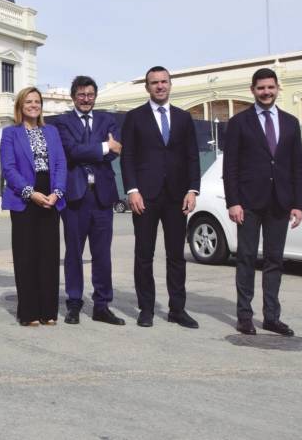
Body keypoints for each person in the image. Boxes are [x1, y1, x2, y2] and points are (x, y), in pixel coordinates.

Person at [223, 68, 302, 336]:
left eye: (270, 87)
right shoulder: (238, 123)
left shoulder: (291, 123)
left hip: (280, 203)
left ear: (278, 88)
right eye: (261, 88)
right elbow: (231, 166)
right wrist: (233, 202)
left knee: (274, 261)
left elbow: (297, 166)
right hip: (248, 202)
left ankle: (272, 317)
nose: (266, 92)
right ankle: (244, 316)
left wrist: (298, 203)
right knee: (246, 258)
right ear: (253, 90)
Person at [120, 66, 201, 329]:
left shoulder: (183, 118)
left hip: (177, 196)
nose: (159, 86)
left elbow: (192, 156)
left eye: (164, 81)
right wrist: (132, 190)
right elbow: (128, 156)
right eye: (154, 82)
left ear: (170, 84)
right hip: (145, 196)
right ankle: (146, 309)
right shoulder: (134, 117)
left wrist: (192, 189)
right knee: (144, 254)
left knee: (176, 255)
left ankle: (177, 309)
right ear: (147, 87)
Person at [51, 76, 125, 326]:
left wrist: (91, 150)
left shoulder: (108, 120)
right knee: (74, 253)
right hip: (75, 197)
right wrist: (103, 146)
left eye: (90, 94)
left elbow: (115, 152)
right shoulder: (62, 122)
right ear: (73, 96)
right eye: (81, 95)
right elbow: (70, 151)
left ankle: (102, 305)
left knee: (102, 254)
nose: (86, 99)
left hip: (102, 196)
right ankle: (73, 303)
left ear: (95, 96)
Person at [0, 87, 66, 326]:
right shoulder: (10, 133)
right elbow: (8, 168)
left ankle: (48, 311)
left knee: (49, 255)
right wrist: (31, 193)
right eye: (28, 101)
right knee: (26, 256)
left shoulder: (52, 131)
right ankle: (28, 312)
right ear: (20, 105)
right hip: (24, 198)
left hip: (50, 196)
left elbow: (60, 164)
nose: (33, 105)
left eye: (37, 101)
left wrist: (57, 192)